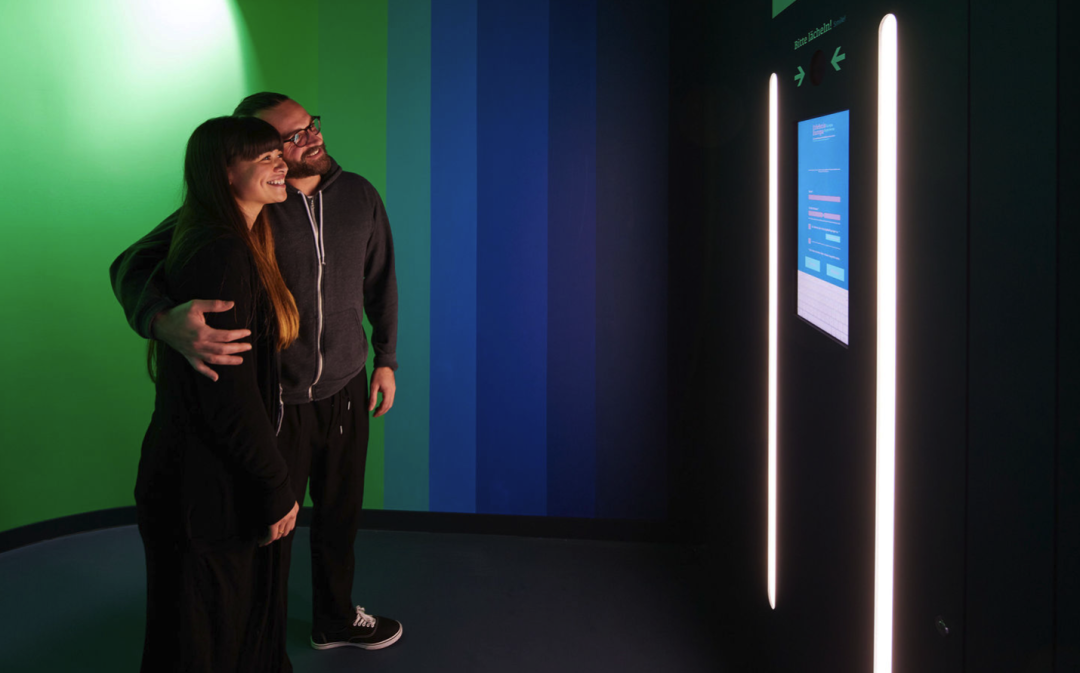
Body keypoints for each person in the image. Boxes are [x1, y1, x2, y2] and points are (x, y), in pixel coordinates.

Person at [111, 93, 403, 651]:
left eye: (310, 125)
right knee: (270, 525)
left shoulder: (359, 195)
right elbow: (132, 261)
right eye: (289, 138)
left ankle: (336, 618)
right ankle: (257, 641)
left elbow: (381, 278)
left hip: (345, 387)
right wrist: (160, 320)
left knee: (340, 518)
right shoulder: (249, 202)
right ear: (254, 151)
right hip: (278, 401)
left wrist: (386, 358)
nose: (310, 138)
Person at [135, 115, 300, 672]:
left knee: (218, 623)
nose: (282, 163)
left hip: (206, 476)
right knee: (202, 633)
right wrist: (275, 484)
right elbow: (227, 397)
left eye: (279, 153)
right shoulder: (220, 251)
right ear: (224, 172)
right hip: (201, 484)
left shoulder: (237, 234)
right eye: (265, 156)